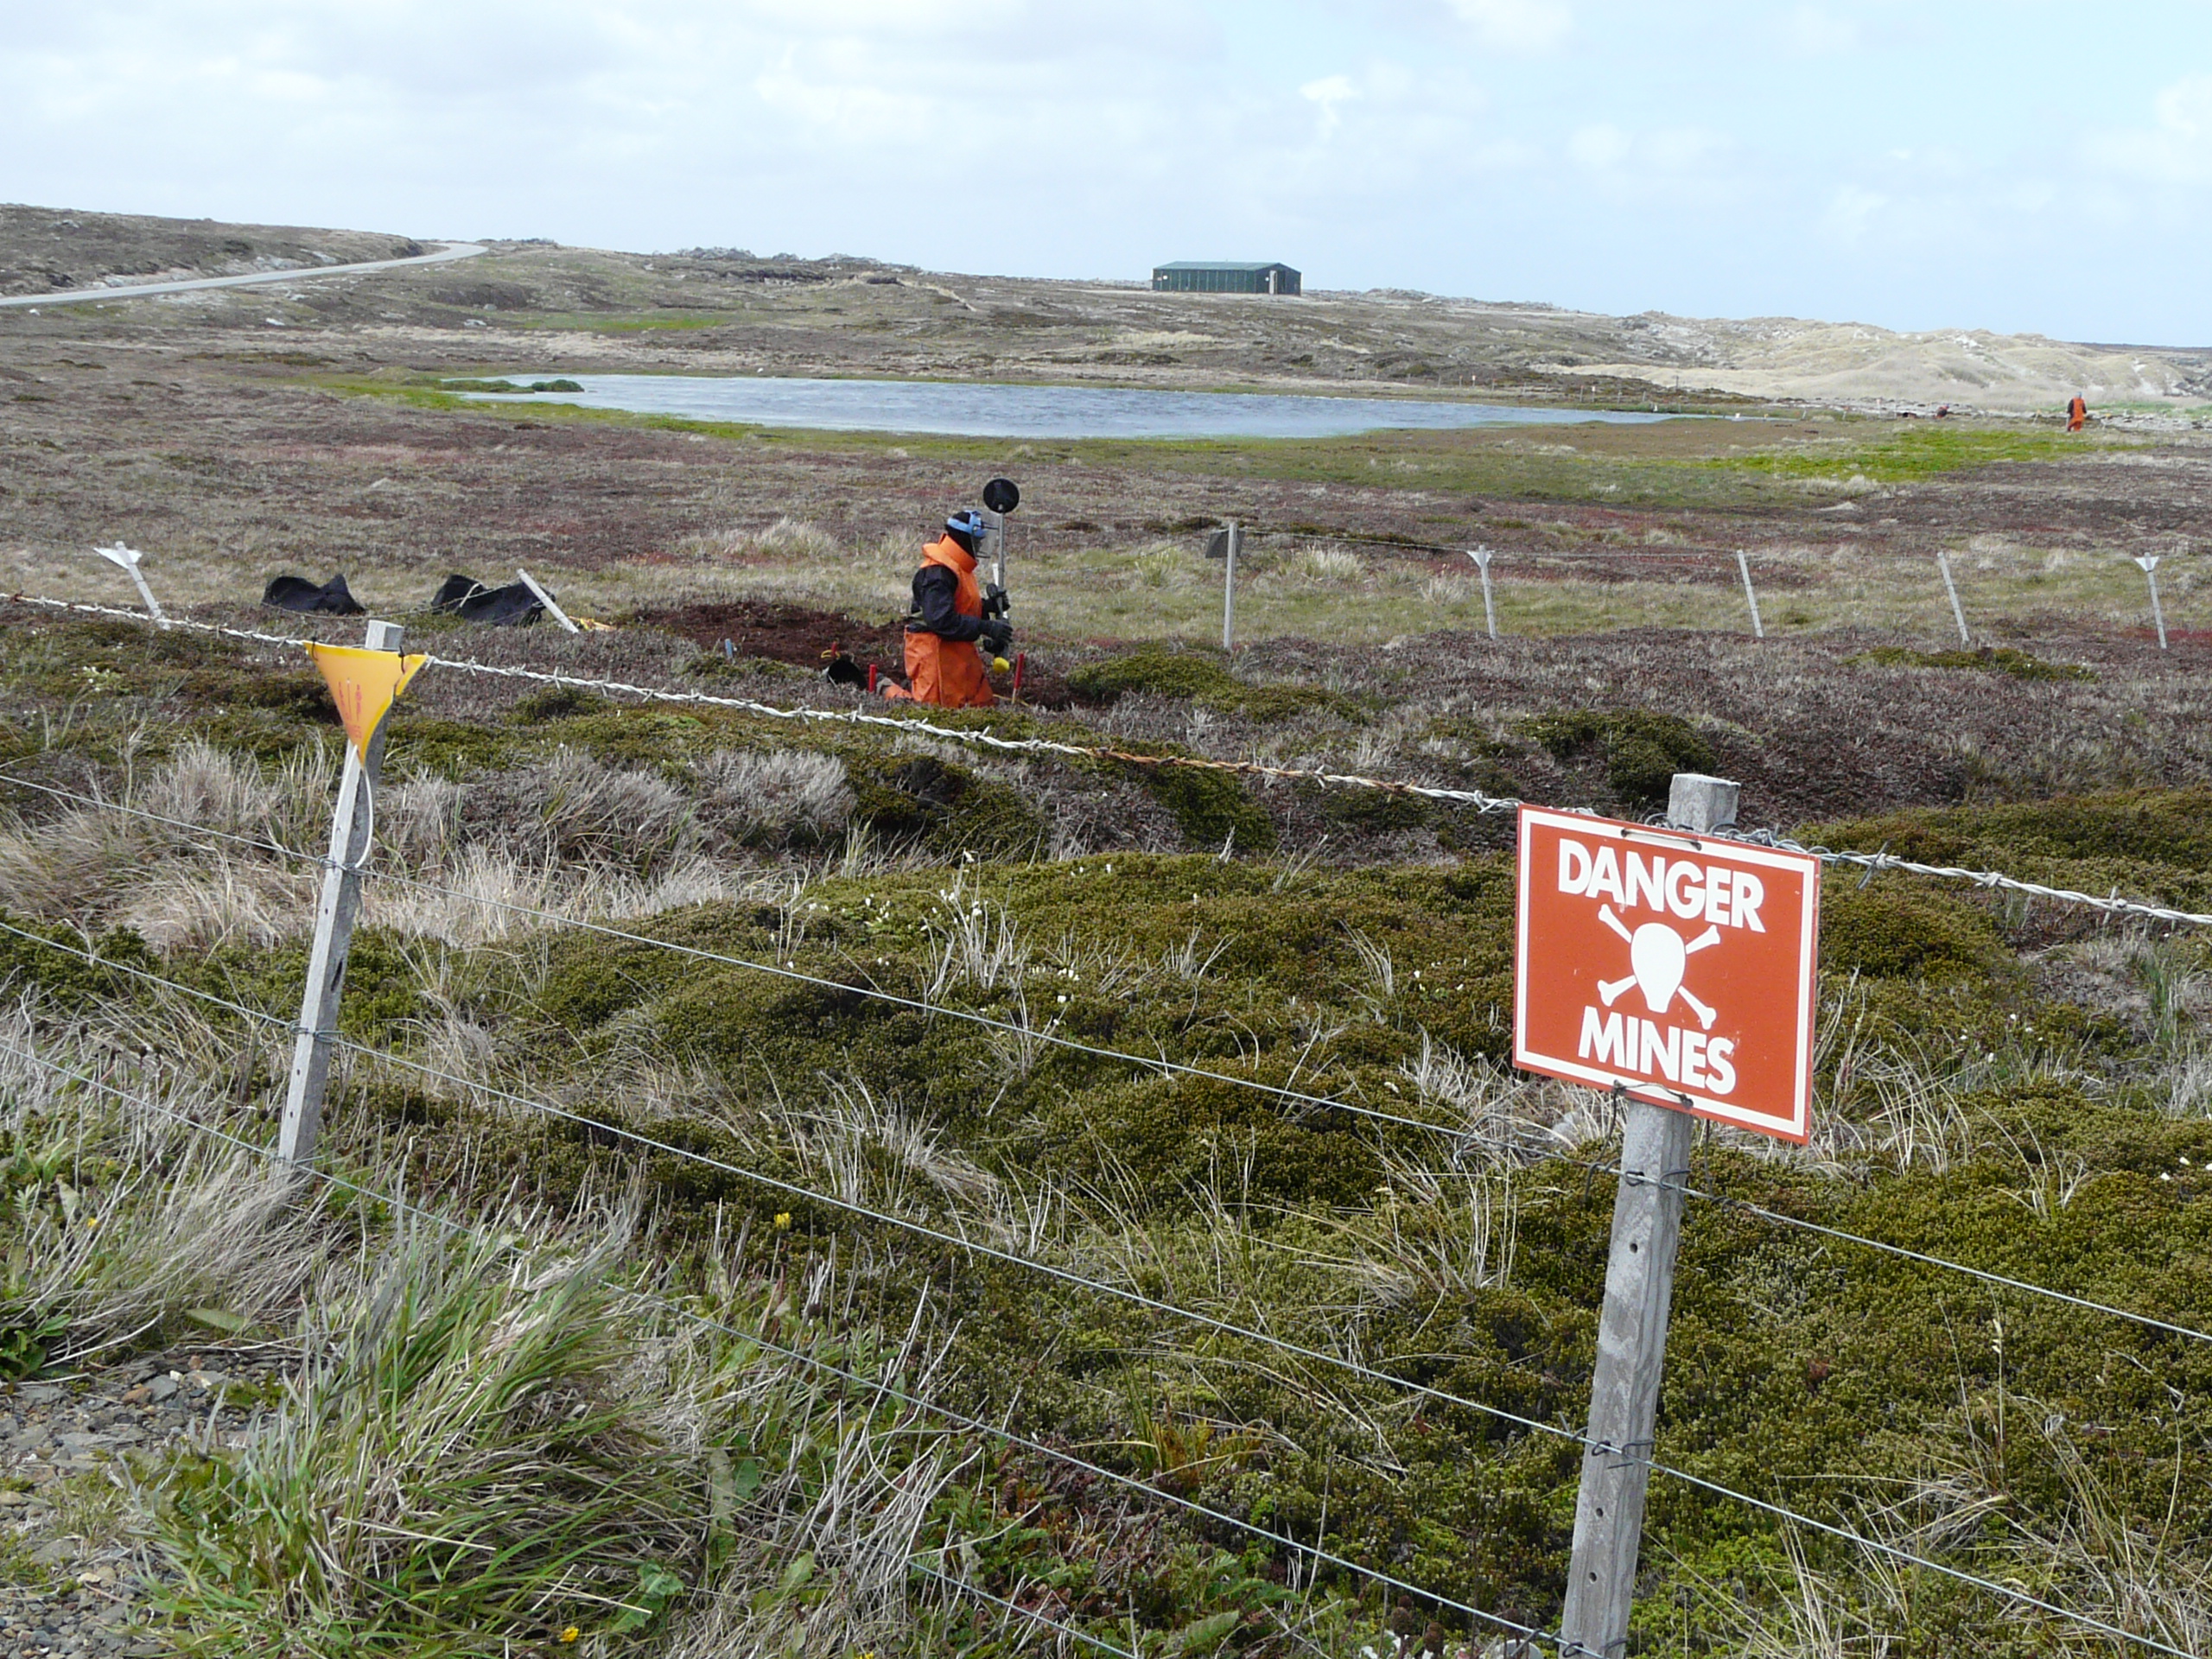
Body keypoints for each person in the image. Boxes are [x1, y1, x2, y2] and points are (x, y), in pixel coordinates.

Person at [880, 510, 1011, 708]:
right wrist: (986, 627)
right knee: (930, 712)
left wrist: (987, 607)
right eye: (978, 540)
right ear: (965, 539)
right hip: (934, 652)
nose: (982, 545)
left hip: (957, 653)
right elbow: (941, 620)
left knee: (981, 706)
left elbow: (959, 605)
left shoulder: (959, 567)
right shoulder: (938, 572)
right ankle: (884, 688)